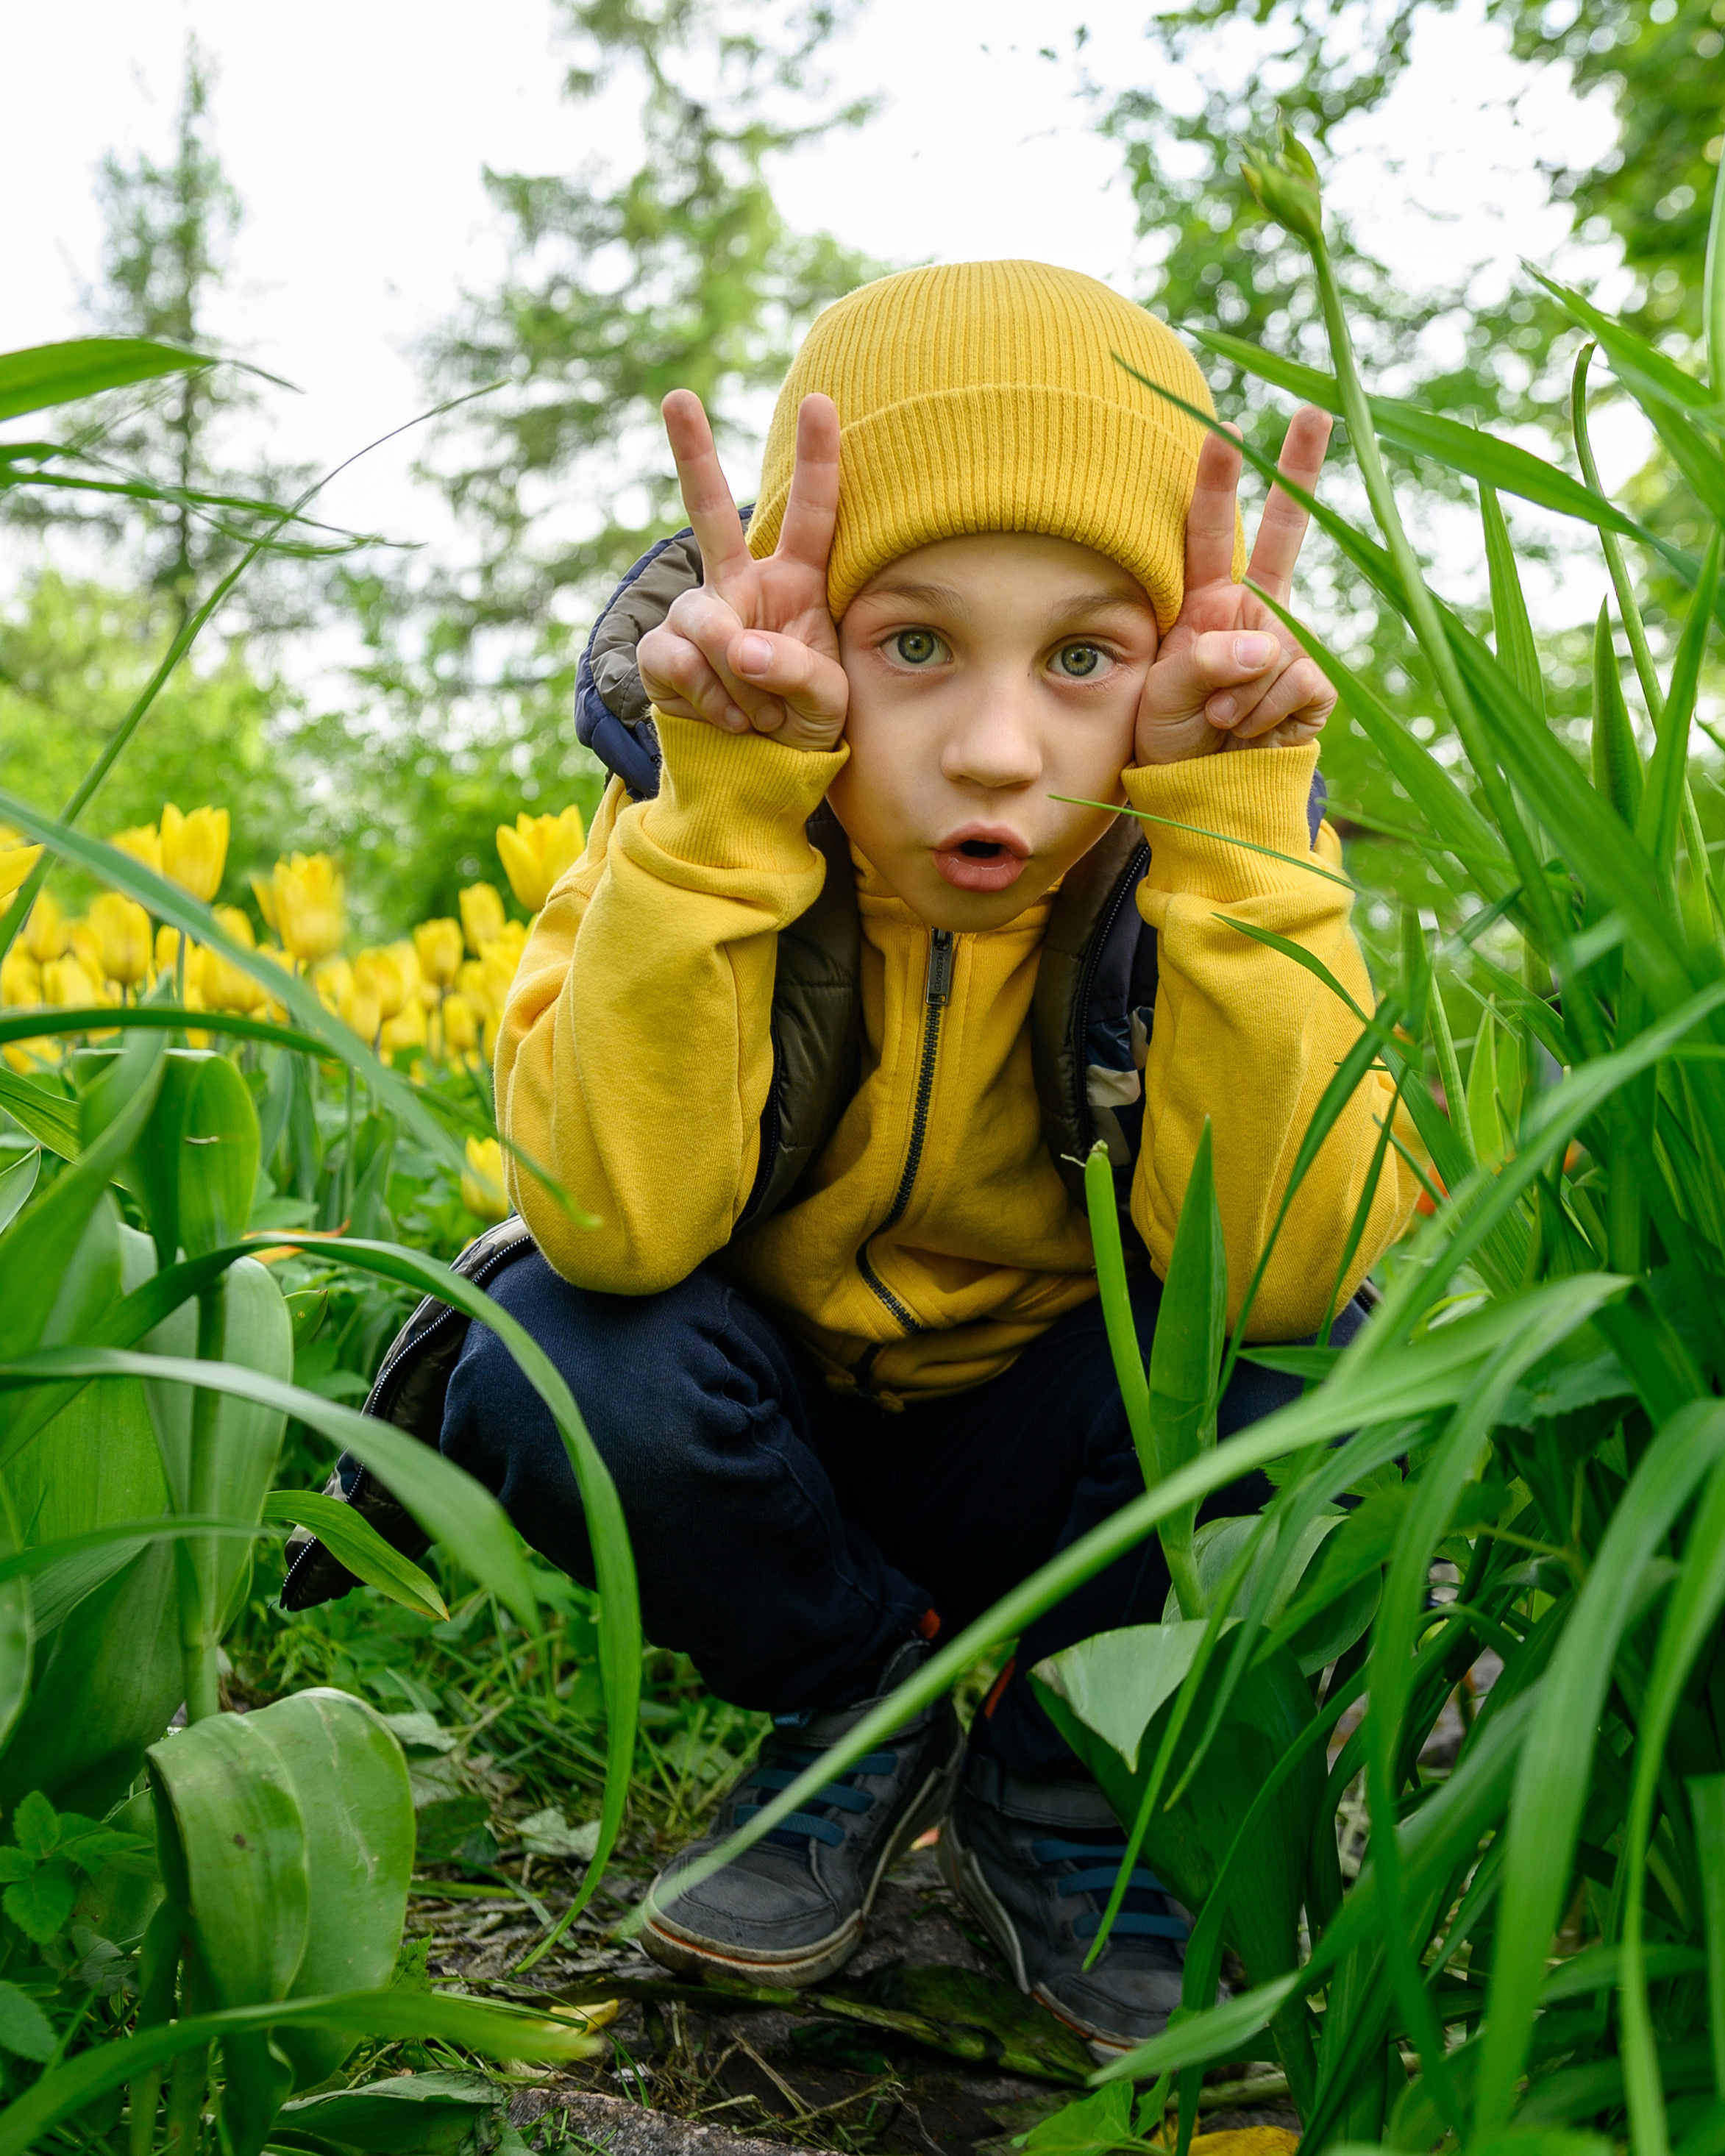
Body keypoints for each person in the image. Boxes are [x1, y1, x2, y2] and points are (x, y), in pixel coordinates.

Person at [441, 260, 1417, 2056]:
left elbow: (1292, 1269)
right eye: (913, 645)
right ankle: (860, 1704)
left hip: (1069, 1471)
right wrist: (720, 808)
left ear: (1168, 660)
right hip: (782, 1455)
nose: (992, 747)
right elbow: (608, 1224)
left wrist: (1231, 831)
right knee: (548, 1348)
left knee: (1323, 1364)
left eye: (1082, 658)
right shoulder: (685, 819)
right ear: (811, 638)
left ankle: (1060, 1765)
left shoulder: (1205, 847)